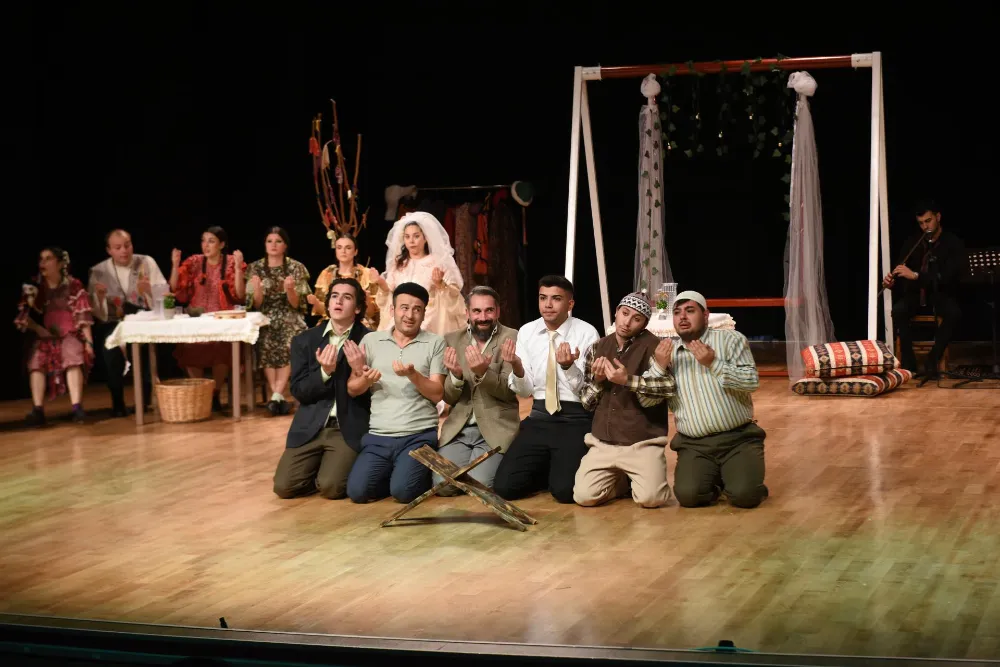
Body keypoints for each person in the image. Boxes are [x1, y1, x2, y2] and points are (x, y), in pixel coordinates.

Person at [492, 276, 600, 504]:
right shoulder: (527, 331)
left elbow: (588, 391)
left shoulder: (586, 332)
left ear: (570, 304)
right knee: (504, 487)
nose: (548, 305)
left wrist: (568, 367)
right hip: (539, 418)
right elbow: (525, 391)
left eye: (556, 299)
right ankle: (550, 466)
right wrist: (517, 366)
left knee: (564, 492)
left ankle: (560, 468)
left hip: (575, 419)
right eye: (543, 298)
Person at [657, 290, 767, 509]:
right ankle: (718, 481)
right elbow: (649, 400)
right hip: (693, 444)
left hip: (738, 439)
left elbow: (751, 382)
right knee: (689, 496)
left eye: (690, 311)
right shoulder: (667, 353)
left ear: (706, 315)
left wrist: (713, 363)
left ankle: (742, 480)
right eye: (677, 312)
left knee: (745, 497)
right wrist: (659, 368)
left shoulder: (731, 340)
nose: (683, 317)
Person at [344, 282, 446, 503]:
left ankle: (412, 474)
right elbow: (352, 389)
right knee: (357, 492)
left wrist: (413, 375)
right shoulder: (371, 341)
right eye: (404, 308)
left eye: (417, 309)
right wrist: (365, 378)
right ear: (392, 310)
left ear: (424, 313)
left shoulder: (435, 343)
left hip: (418, 435)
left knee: (403, 492)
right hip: (379, 436)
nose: (409, 315)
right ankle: (401, 472)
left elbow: (437, 393)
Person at [573, 292, 675, 508]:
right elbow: (587, 403)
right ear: (617, 312)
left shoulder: (654, 348)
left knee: (651, 499)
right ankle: (621, 483)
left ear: (644, 324)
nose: (627, 322)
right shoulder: (597, 347)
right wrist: (599, 381)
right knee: (583, 496)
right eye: (625, 313)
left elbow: (669, 388)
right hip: (604, 442)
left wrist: (627, 380)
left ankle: (638, 478)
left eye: (636, 318)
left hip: (642, 442)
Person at [273, 278, 371, 499]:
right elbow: (298, 391)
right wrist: (325, 372)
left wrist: (359, 371)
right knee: (283, 487)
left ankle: (330, 469)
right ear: (327, 304)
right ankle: (319, 468)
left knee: (331, 487)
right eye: (334, 296)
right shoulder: (305, 340)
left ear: (357, 308)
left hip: (347, 427)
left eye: (347, 297)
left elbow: (372, 392)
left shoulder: (369, 340)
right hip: (311, 426)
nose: (339, 301)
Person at [437, 286, 520, 494]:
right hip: (459, 430)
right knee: (444, 487)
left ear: (498, 311)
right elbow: (448, 397)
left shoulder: (512, 337)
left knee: (479, 485)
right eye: (477, 311)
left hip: (495, 429)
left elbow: (508, 392)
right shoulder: (451, 340)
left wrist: (484, 372)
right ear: (467, 312)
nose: (483, 317)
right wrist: (456, 376)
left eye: (489, 310)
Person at [88, 229, 168, 417]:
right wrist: (100, 299)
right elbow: (97, 312)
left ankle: (144, 402)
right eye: (118, 247)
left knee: (144, 354)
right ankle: (118, 403)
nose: (124, 250)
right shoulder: (98, 271)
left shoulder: (146, 262)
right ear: (109, 250)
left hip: (142, 320)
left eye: (127, 245)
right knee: (111, 355)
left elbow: (165, 297)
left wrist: (150, 291)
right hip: (113, 322)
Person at [883, 199, 965, 378]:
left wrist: (916, 276)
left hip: (939, 293)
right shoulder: (913, 242)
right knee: (898, 311)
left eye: (928, 221)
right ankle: (909, 365)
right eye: (921, 223)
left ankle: (932, 360)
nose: (925, 226)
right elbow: (901, 270)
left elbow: (948, 277)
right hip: (915, 294)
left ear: (938, 217)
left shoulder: (952, 243)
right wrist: (891, 282)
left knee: (954, 313)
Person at [169, 226, 246, 412]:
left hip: (222, 320)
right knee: (190, 349)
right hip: (197, 318)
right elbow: (175, 288)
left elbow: (240, 295)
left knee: (222, 349)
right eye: (203, 241)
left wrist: (238, 269)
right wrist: (175, 265)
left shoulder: (230, 262)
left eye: (211, 241)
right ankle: (201, 392)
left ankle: (214, 394)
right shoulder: (194, 262)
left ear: (222, 244)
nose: (206, 245)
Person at [15, 247, 94, 425]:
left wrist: (89, 342)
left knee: (72, 356)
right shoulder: (35, 287)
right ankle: (38, 410)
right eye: (41, 259)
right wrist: (39, 330)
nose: (43, 263)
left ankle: (77, 408)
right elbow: (24, 316)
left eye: (48, 259)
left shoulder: (73, 285)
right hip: (45, 335)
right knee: (36, 362)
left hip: (69, 333)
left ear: (59, 264)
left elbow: (83, 316)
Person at [245, 227, 312, 415]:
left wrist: (290, 290)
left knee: (289, 340)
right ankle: (278, 396)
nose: (273, 245)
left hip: (289, 314)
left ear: (285, 246)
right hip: (265, 315)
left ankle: (275, 395)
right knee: (265, 339)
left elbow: (297, 304)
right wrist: (258, 291)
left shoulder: (296, 268)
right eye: (269, 241)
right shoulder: (255, 268)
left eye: (278, 241)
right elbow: (256, 304)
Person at [371, 212, 466, 335]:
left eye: (416, 236)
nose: (411, 241)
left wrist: (439, 284)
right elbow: (390, 292)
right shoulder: (399, 263)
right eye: (407, 237)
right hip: (400, 317)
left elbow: (454, 296)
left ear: (425, 238)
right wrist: (380, 281)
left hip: (428, 319)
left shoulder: (437, 262)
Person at [307, 233, 380, 330]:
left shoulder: (366, 274)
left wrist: (367, 299)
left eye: (348, 248)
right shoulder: (327, 274)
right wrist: (315, 302)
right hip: (332, 322)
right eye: (339, 247)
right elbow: (324, 311)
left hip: (359, 323)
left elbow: (372, 313)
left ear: (355, 251)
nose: (343, 251)